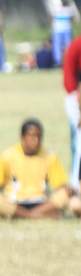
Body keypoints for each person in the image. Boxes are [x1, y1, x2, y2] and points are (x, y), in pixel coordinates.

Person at [0, 119, 74, 219]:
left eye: (39, 136)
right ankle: (36, 216)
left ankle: (22, 216)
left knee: (66, 195)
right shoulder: (8, 155)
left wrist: (67, 190)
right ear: (23, 137)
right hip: (16, 203)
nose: (36, 141)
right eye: (32, 136)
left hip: (42, 203)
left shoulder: (50, 155)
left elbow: (60, 185)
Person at [62, 34, 81, 184]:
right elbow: (69, 78)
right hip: (76, 99)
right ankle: (75, 183)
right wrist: (77, 100)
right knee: (79, 143)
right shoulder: (77, 45)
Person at [46, 0, 78, 66]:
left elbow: (51, 17)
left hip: (63, 30)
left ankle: (65, 61)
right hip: (60, 30)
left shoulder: (66, 8)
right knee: (60, 46)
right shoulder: (62, 8)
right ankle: (59, 61)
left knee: (66, 46)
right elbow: (73, 19)